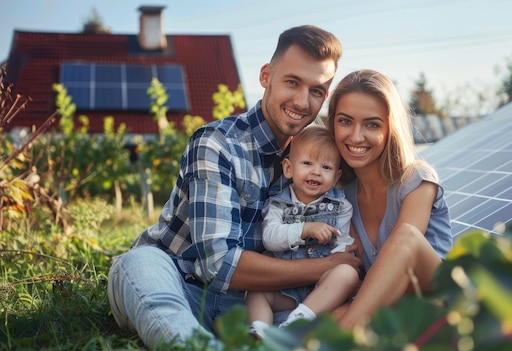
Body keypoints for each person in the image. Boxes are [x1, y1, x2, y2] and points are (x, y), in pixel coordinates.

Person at [106, 25, 361, 349]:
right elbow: (217, 263)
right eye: (292, 82)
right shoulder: (217, 143)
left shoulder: (317, 161)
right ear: (266, 76)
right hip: (179, 281)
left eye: (316, 90)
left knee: (336, 312)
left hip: (249, 304)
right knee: (139, 263)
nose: (302, 101)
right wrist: (325, 267)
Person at [325, 69, 453, 329]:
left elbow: (404, 266)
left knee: (405, 236)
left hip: (442, 303)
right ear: (332, 124)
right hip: (392, 316)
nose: (356, 136)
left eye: (372, 124)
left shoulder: (417, 180)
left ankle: (336, 341)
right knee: (330, 313)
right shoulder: (342, 198)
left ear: (390, 128)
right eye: (345, 121)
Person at [246, 125, 359, 337]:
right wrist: (304, 229)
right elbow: (270, 238)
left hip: (321, 288)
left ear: (336, 176)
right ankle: (259, 330)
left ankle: (298, 321)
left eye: (326, 167)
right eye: (307, 163)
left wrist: (341, 254)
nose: (316, 171)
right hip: (283, 287)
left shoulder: (341, 206)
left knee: (347, 273)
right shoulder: (278, 204)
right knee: (256, 290)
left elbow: (343, 243)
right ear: (289, 168)